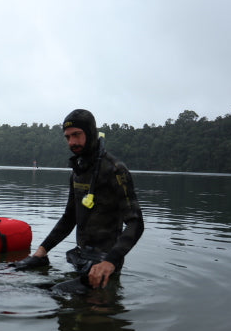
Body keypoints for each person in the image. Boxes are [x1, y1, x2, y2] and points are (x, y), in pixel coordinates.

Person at [13, 109, 144, 290]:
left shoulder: (114, 170)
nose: (72, 142)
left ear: (90, 133)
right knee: (24, 282)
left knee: (52, 293)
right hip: (80, 259)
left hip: (105, 265)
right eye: (67, 137)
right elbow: (69, 217)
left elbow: (136, 222)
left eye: (77, 135)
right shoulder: (78, 171)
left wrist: (111, 261)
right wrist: (40, 253)